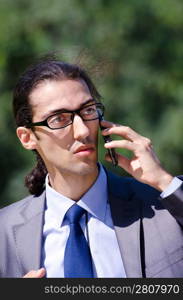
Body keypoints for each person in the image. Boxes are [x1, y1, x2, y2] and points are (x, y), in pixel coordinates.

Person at [0, 59, 183, 278]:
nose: (82, 131)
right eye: (58, 119)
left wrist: (163, 180)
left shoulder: (163, 204)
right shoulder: (5, 232)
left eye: (88, 111)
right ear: (28, 137)